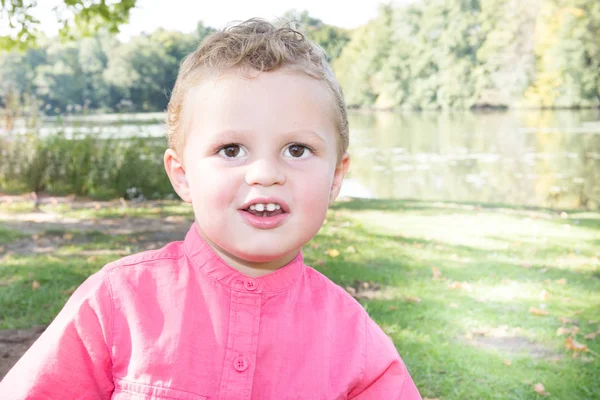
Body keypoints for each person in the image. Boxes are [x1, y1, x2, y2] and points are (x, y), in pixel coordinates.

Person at [0, 18, 422, 399]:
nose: (264, 173)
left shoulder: (356, 341)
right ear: (182, 175)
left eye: (297, 149)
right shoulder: (115, 302)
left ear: (335, 177)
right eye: (231, 149)